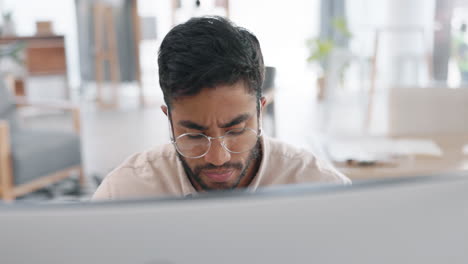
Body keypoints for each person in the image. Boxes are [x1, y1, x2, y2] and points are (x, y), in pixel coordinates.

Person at [92, 16, 350, 200]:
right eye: (193, 135)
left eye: (236, 130)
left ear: (261, 111)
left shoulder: (320, 188)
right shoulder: (124, 194)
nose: (218, 158)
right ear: (167, 118)